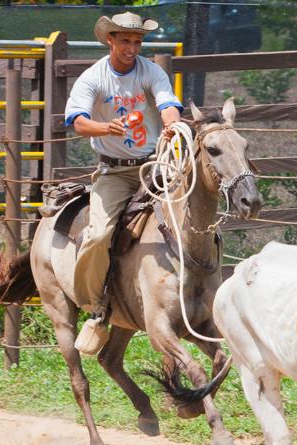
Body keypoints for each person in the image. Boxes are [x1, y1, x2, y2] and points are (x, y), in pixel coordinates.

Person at [64, 11, 183, 354]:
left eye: (137, 41)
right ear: (110, 41)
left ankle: (199, 294)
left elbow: (167, 104)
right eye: (126, 41)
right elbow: (78, 122)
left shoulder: (151, 71)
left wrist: (172, 124)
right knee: (99, 234)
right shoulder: (93, 78)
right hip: (114, 172)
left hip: (154, 165)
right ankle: (95, 306)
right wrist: (107, 128)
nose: (132, 47)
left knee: (194, 216)